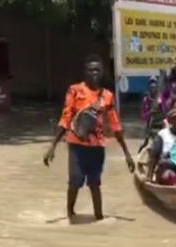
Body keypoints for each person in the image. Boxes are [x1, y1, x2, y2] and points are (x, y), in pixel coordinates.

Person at [44, 54, 134, 222]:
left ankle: (99, 219)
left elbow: (115, 125)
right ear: (85, 72)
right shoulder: (74, 91)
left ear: (102, 73)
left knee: (95, 184)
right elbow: (65, 118)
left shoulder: (107, 96)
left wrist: (127, 153)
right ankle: (70, 214)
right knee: (75, 181)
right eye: (91, 70)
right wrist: (52, 146)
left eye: (97, 70)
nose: (94, 73)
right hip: (77, 145)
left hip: (97, 146)